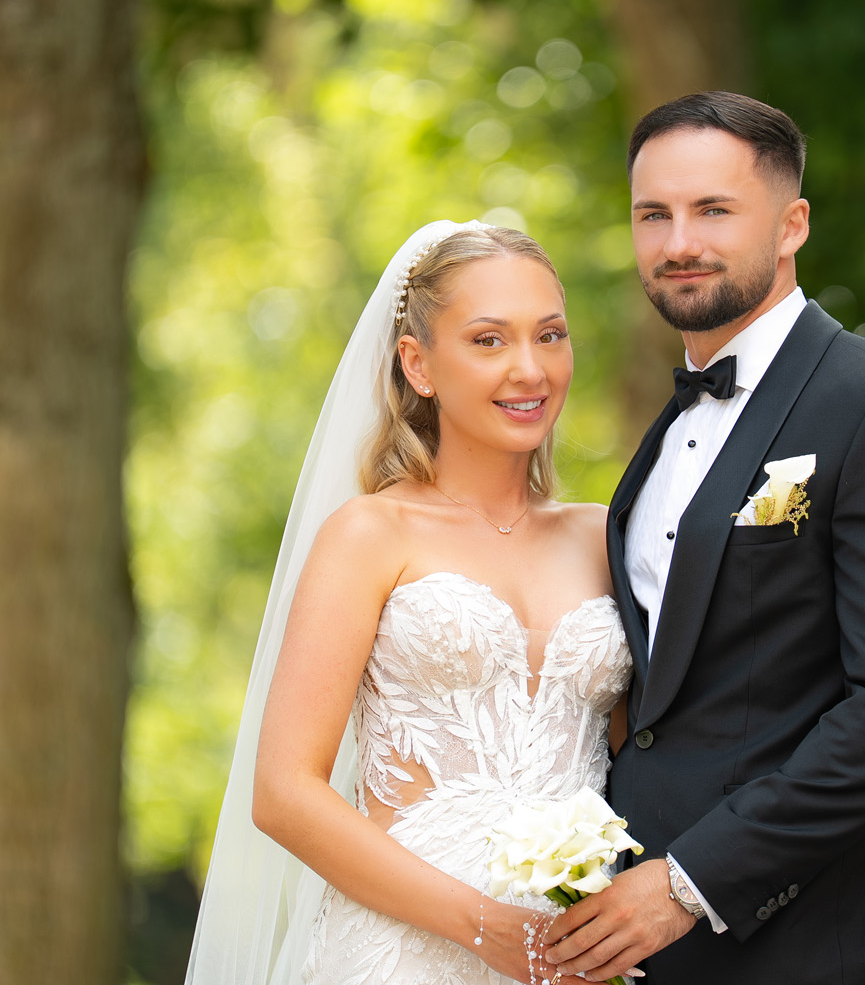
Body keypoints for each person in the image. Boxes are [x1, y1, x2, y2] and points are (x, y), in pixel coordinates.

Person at [543, 92, 865, 984]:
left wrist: (691, 882)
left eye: (714, 210)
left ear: (792, 226)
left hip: (819, 941)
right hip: (646, 946)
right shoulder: (668, 431)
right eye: (653, 215)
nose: (679, 243)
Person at [183, 220, 635, 985]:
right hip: (402, 955)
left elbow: (644, 758)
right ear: (417, 364)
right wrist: (487, 928)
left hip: (572, 959)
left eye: (550, 336)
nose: (530, 369)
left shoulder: (606, 537)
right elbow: (284, 793)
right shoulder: (369, 534)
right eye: (489, 340)